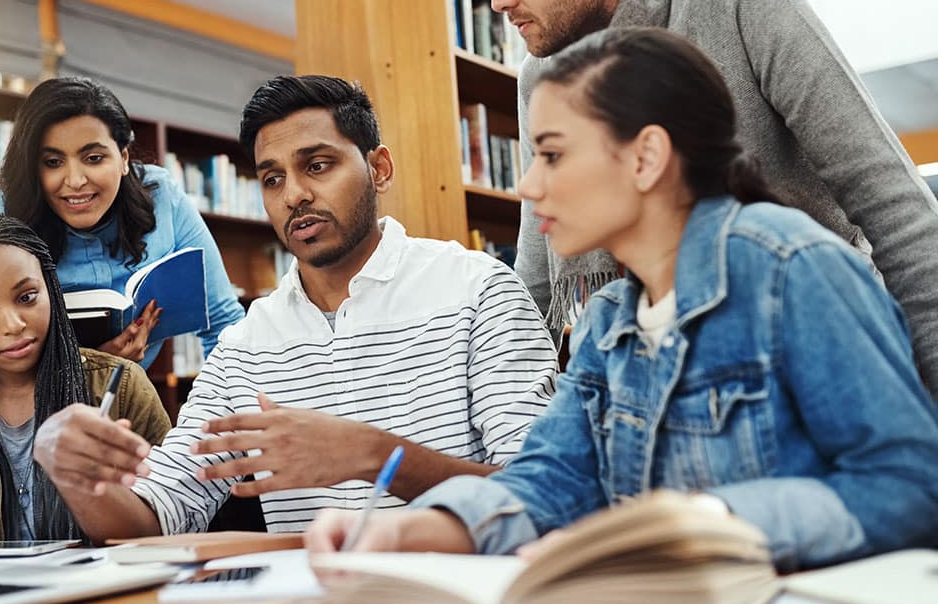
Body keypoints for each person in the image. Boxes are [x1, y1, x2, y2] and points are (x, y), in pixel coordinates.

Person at [305, 28, 938, 571]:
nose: (527, 185)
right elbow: (549, 481)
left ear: (645, 157)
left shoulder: (794, 269)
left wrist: (709, 522)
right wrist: (402, 532)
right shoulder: (607, 323)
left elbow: (911, 488)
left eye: (551, 154)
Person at [466, 0, 938, 396]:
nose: (499, 0)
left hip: (817, 351)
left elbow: (890, 204)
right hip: (654, 387)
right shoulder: (539, 74)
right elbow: (540, 276)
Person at [29, 74, 559, 542]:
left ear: (379, 169)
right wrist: (72, 472)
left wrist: (374, 455)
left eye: (318, 165)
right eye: (272, 178)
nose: (294, 195)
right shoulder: (247, 346)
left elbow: (548, 497)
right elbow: (154, 515)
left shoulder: (478, 291)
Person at [0, 211, 171, 541]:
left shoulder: (121, 384)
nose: (13, 325)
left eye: (27, 297)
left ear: (49, 287)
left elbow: (170, 517)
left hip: (103, 589)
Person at [0, 76, 245, 368]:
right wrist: (93, 367)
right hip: (25, 409)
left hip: (125, 403)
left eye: (94, 158)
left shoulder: (162, 195)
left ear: (123, 157)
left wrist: (220, 408)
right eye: (52, 162)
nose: (75, 181)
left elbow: (225, 323)